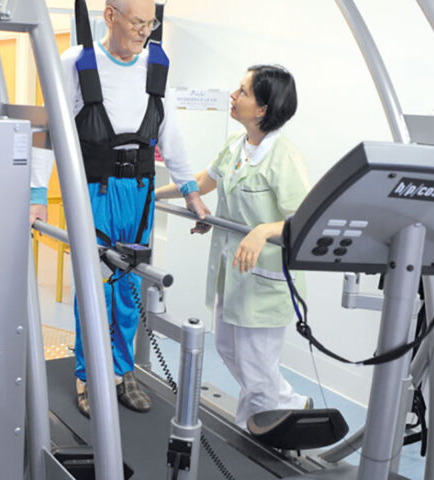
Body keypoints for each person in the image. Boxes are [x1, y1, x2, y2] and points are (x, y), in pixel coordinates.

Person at [30, 0, 210, 418]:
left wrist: (189, 190)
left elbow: (169, 129)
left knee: (129, 286)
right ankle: (88, 372)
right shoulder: (76, 62)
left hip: (141, 191)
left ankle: (122, 369)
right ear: (110, 16)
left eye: (150, 23)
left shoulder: (155, 65)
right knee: (96, 285)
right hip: (93, 189)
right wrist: (38, 195)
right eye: (136, 22)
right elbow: (48, 129)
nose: (144, 31)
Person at [155, 64, 312, 428]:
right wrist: (151, 193)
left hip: (265, 279)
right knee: (227, 348)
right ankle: (290, 404)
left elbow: (303, 219)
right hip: (233, 271)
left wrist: (262, 231)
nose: (233, 95)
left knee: (257, 368)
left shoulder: (283, 156)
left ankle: (260, 428)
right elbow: (202, 182)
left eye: (242, 91)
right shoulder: (235, 146)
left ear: (262, 109)